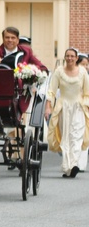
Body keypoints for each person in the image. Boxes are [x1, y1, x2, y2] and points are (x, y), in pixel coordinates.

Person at [46, 48, 89, 178]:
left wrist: (86, 106)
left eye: (72, 56)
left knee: (76, 136)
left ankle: (74, 164)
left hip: (78, 108)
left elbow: (87, 92)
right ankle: (67, 167)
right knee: (65, 137)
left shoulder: (83, 73)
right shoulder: (59, 72)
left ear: (76, 58)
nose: (70, 58)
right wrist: (48, 106)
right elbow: (52, 91)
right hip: (63, 108)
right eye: (67, 56)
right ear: (65, 57)